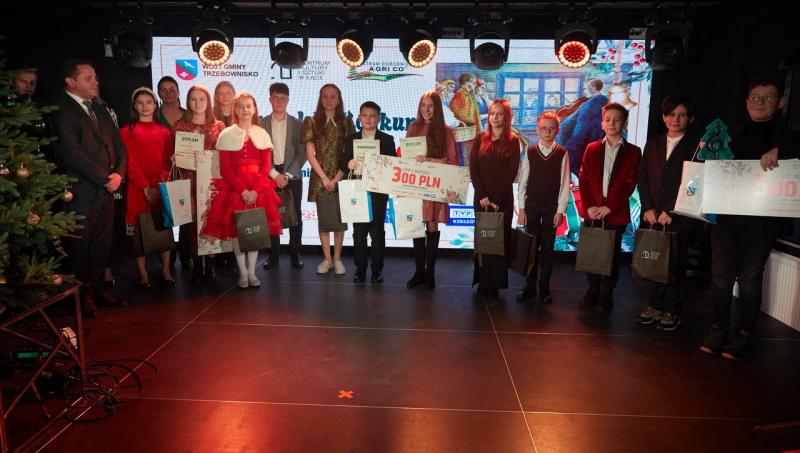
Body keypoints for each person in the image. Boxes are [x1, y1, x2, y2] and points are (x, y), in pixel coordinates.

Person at [700, 75, 800, 359]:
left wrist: (783, 151)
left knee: (750, 279)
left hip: (761, 223)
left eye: (768, 97)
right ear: (747, 103)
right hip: (726, 218)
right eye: (755, 97)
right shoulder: (731, 134)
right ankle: (718, 329)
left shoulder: (789, 137)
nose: (760, 102)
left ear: (780, 102)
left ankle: (744, 335)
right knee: (720, 278)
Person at [50, 58, 127, 318]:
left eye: (95, 77)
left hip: (106, 189)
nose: (95, 82)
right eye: (88, 78)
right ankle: (82, 296)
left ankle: (97, 288)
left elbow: (119, 146)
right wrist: (105, 178)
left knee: (102, 244)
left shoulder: (100, 109)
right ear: (71, 82)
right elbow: (71, 154)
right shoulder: (61, 110)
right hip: (80, 191)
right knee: (81, 247)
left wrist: (119, 174)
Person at [203, 92, 282, 288]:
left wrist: (255, 190)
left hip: (258, 189)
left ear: (254, 109)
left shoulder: (262, 134)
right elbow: (225, 169)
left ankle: (252, 272)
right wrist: (243, 191)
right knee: (237, 232)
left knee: (254, 230)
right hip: (235, 189)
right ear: (235, 110)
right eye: (240, 106)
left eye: (248, 106)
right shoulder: (227, 134)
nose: (244, 110)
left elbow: (265, 167)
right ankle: (243, 273)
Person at [636, 94, 701, 331]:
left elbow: (694, 182)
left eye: (682, 115)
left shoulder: (696, 146)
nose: (676, 119)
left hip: (679, 215)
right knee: (654, 260)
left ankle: (672, 309)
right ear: (664, 117)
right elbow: (642, 177)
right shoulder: (653, 143)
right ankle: (654, 305)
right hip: (653, 215)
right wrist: (648, 208)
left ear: (690, 119)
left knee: (675, 264)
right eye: (671, 114)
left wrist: (672, 210)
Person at [577, 103, 642, 312]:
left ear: (624, 123)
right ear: (602, 123)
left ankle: (606, 294)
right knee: (592, 253)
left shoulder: (633, 152)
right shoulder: (592, 148)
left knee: (611, 255)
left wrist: (610, 207)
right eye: (608, 120)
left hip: (616, 212)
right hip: (593, 211)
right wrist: (590, 206)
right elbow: (584, 180)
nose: (612, 123)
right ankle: (592, 290)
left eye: (617, 119)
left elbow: (629, 183)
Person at [119, 87, 176, 289]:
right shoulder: (126, 131)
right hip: (137, 188)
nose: (145, 106)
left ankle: (166, 270)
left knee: (163, 228)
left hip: (159, 186)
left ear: (155, 104)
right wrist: (144, 186)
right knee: (138, 232)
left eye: (149, 102)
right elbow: (129, 163)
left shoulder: (165, 132)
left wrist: (158, 184)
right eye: (140, 102)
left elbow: (167, 162)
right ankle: (142, 273)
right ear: (134, 106)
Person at [404, 91, 458, 289]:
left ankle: (430, 273)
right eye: (423, 105)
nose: (426, 110)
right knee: (417, 228)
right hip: (415, 184)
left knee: (432, 227)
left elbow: (452, 162)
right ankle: (419, 272)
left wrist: (428, 160)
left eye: (430, 106)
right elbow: (406, 159)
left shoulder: (446, 131)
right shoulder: (413, 128)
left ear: (437, 108)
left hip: (435, 185)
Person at [516, 111, 571, 305]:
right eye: (543, 128)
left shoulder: (562, 153)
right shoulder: (531, 152)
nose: (547, 132)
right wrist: (522, 209)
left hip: (551, 209)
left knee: (548, 249)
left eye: (551, 129)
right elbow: (523, 182)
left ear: (557, 130)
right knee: (531, 248)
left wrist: (560, 210)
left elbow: (565, 183)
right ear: (537, 130)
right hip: (532, 207)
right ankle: (529, 286)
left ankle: (544, 287)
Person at [301, 84, 356, 275]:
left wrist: (337, 178)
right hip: (320, 178)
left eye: (333, 97)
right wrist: (325, 178)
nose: (329, 100)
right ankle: (327, 259)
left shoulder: (346, 122)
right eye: (325, 96)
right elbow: (310, 154)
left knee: (340, 219)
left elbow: (350, 153)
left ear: (339, 99)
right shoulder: (311, 122)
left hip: (341, 176)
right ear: (320, 98)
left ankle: (338, 258)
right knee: (324, 220)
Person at [173, 85, 226, 285]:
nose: (197, 103)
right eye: (193, 99)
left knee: (210, 223)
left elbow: (224, 154)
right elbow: (175, 154)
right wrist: (174, 157)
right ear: (188, 102)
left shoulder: (218, 126)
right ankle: (197, 267)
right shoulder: (180, 126)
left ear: (208, 102)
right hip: (188, 182)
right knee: (192, 226)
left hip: (211, 182)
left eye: (202, 99)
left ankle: (210, 266)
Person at [470, 99, 521, 299]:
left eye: (499, 114)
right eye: (492, 113)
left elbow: (511, 172)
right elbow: (473, 168)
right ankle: (483, 281)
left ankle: (496, 284)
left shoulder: (513, 140)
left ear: (506, 117)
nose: (495, 117)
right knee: (483, 241)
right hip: (481, 200)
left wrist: (496, 199)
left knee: (499, 242)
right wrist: (483, 195)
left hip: (502, 201)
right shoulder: (479, 138)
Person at [340, 101, 397, 283]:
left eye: (373, 116)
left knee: (377, 232)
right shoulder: (351, 139)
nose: (368, 119)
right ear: (359, 117)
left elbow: (393, 165)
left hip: (378, 191)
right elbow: (342, 163)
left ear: (379, 118)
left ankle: (377, 269)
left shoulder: (387, 139)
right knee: (359, 232)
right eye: (365, 115)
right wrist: (348, 163)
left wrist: (383, 164)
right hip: (358, 191)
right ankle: (360, 268)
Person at [260, 83, 306, 270]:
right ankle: (273, 255)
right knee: (271, 216)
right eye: (275, 98)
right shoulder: (261, 124)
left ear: (288, 100)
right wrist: (274, 174)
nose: (279, 101)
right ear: (270, 99)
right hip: (269, 174)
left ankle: (296, 253)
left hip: (291, 175)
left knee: (295, 215)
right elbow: (260, 154)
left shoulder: (298, 124)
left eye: (283, 98)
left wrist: (286, 175)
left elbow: (302, 152)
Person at [557, 78, 608, 175]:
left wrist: (568, 151)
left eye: (585, 88)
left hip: (581, 151)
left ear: (593, 89)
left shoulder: (589, 106)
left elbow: (580, 132)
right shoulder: (606, 102)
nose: (584, 91)